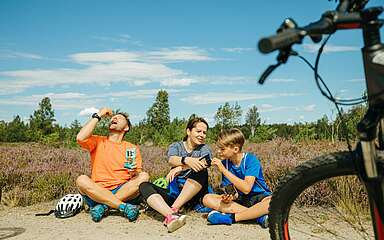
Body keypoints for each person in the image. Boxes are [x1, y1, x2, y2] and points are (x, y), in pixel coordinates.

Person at [139, 117, 212, 232]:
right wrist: (186, 161)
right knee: (144, 185)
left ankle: (174, 209)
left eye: (204, 132)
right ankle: (171, 215)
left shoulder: (204, 148)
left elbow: (205, 162)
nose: (202, 135)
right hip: (176, 193)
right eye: (198, 131)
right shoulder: (176, 146)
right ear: (188, 131)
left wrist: (180, 168)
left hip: (195, 194)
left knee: (201, 170)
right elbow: (171, 159)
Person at [76, 108, 149, 222]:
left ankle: (104, 206)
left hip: (122, 191)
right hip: (98, 191)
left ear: (126, 127)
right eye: (113, 117)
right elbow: (80, 138)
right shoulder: (98, 141)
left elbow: (136, 175)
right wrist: (99, 115)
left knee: (144, 176)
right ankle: (122, 207)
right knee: (81, 180)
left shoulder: (131, 148)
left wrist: (133, 171)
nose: (114, 118)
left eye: (119, 118)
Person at [202, 128, 271, 228]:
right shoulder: (225, 163)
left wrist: (224, 171)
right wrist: (230, 197)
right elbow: (233, 192)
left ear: (235, 149)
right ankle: (258, 217)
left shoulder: (251, 160)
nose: (218, 151)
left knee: (272, 202)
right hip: (241, 201)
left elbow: (247, 189)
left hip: (259, 197)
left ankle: (231, 218)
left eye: (222, 149)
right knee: (207, 198)